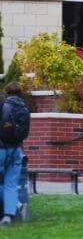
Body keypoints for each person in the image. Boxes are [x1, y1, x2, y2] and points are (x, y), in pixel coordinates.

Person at [0, 83, 30, 225]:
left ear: (7, 92)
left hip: (1, 150)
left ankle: (15, 207)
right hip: (17, 150)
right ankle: (9, 215)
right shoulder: (24, 108)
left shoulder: (4, 106)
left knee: (2, 183)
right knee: (11, 184)